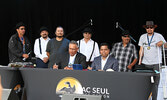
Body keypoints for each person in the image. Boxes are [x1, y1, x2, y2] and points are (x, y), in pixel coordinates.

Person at [138, 21, 166, 100]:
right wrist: (139, 62)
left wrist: (162, 42)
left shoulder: (159, 36)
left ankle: (154, 99)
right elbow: (141, 49)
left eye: (151, 27)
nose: (149, 29)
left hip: (156, 63)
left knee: (155, 83)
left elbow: (166, 46)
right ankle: (145, 98)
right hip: (145, 63)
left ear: (154, 28)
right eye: (147, 27)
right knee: (145, 83)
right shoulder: (142, 37)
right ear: (145, 28)